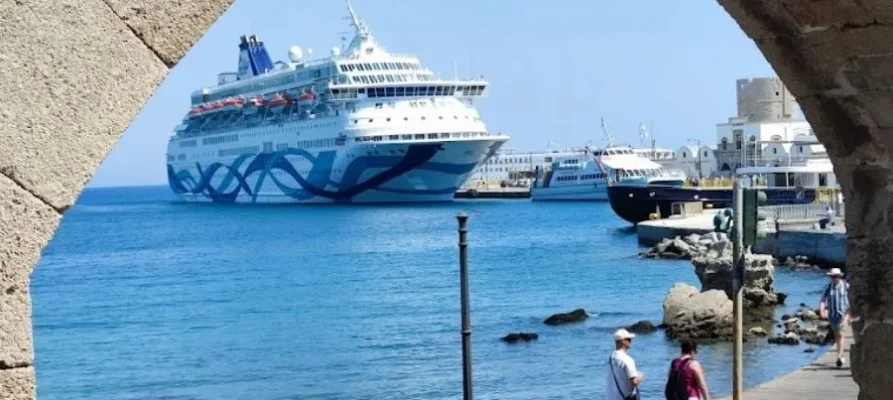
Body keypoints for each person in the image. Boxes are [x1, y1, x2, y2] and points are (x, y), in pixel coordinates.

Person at [819, 268, 851, 367]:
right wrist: (822, 310)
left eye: (835, 276)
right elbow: (823, 300)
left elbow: (852, 300)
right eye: (831, 277)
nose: (833, 278)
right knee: (837, 335)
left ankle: (840, 356)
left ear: (839, 277)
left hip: (843, 315)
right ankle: (840, 354)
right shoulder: (828, 287)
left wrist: (849, 315)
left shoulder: (846, 286)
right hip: (832, 316)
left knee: (840, 334)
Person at [607, 329, 643, 400]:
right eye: (629, 339)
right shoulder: (627, 359)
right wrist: (640, 377)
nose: (631, 341)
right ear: (622, 341)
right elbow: (634, 382)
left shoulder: (611, 357)